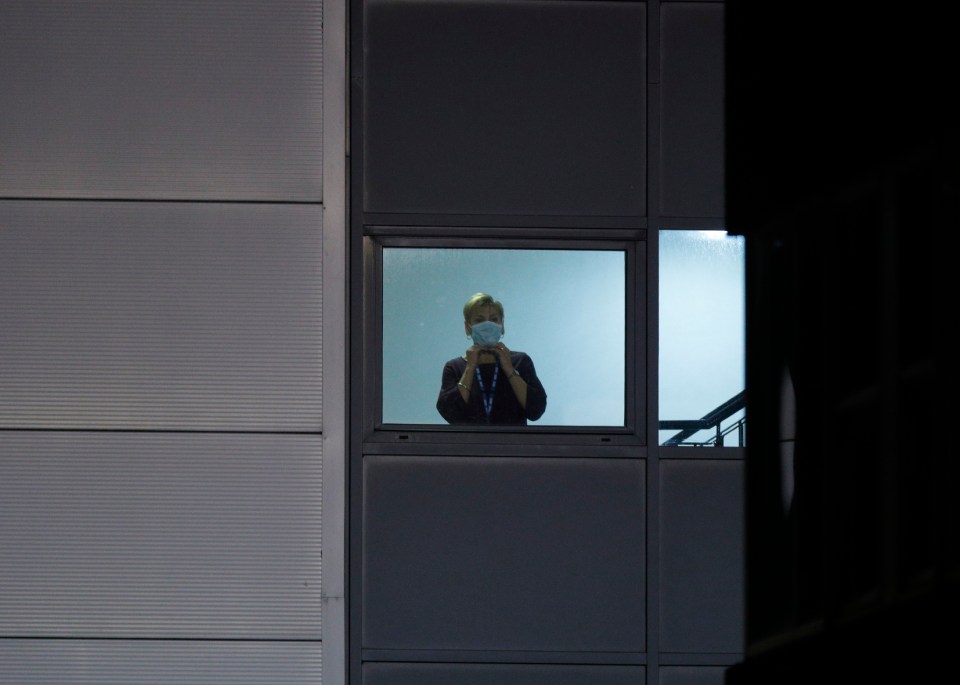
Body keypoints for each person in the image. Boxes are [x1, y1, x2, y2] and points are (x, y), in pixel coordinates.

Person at [436, 292, 547, 425]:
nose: (487, 325)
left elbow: (536, 410)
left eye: (494, 319)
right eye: (479, 320)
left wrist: (509, 369)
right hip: (471, 444)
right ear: (468, 327)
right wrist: (470, 368)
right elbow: (450, 413)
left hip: (513, 444)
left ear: (502, 326)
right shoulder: (454, 367)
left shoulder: (520, 361)